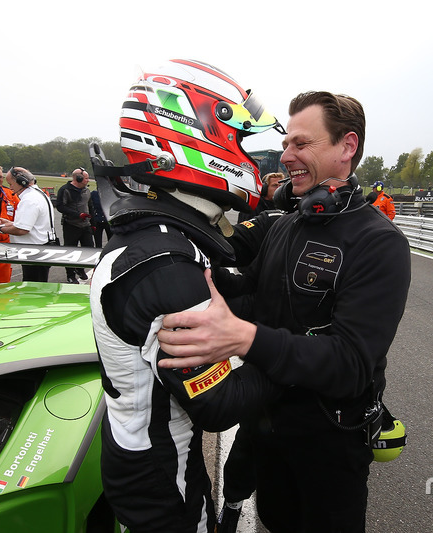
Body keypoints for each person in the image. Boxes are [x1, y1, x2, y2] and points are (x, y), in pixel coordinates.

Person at [158, 91, 412, 533]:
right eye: (287, 142)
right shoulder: (289, 223)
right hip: (267, 426)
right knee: (274, 522)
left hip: (330, 442)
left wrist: (244, 338)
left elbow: (351, 364)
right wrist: (178, 274)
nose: (286, 154)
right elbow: (252, 296)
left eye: (301, 143)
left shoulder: (379, 242)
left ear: (346, 147)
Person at [88, 59, 285, 533]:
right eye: (240, 140)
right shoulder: (167, 265)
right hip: (161, 471)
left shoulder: (157, 234)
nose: (252, 158)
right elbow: (220, 404)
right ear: (194, 136)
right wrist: (298, 351)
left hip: (140, 448)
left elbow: (222, 293)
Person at [0, 167, 57, 281]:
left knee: (33, 289)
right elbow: (30, 224)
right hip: (41, 248)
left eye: (11, 183)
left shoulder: (29, 199)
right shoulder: (38, 194)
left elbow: (22, 230)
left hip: (34, 252)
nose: (10, 187)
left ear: (21, 181)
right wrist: (9, 223)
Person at [57, 167, 94, 283]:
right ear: (78, 178)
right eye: (86, 178)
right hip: (71, 225)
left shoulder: (86, 190)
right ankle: (70, 274)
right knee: (70, 250)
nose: (88, 181)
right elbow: (60, 206)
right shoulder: (65, 190)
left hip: (85, 225)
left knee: (89, 248)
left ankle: (80, 268)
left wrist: (93, 223)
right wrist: (77, 214)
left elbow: (90, 206)